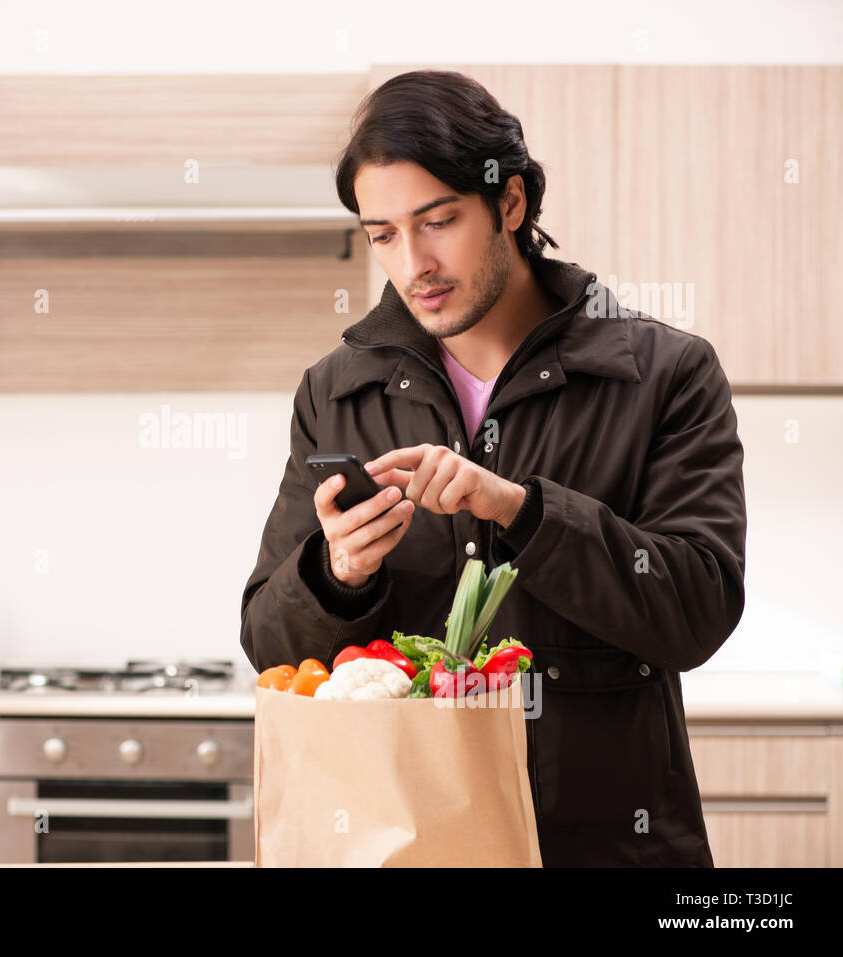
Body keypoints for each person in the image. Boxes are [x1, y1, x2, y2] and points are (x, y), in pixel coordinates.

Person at [239, 70, 747, 867]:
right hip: (402, 842)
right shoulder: (337, 389)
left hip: (607, 845)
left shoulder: (662, 373)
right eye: (382, 235)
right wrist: (336, 572)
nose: (413, 265)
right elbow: (268, 639)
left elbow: (698, 606)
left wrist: (523, 510)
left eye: (437, 221)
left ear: (509, 203)